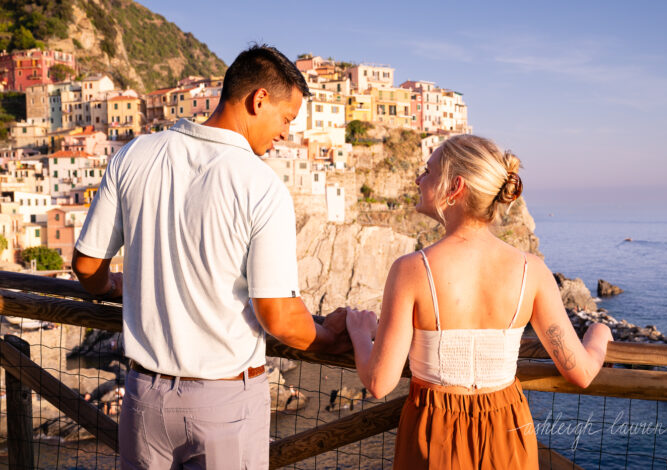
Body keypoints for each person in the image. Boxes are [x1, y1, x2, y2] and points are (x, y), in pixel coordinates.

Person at [72, 45, 350, 469]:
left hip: (144, 397)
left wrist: (109, 286)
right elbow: (277, 316)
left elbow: (87, 266)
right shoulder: (261, 186)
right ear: (259, 100)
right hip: (224, 406)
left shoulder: (134, 154)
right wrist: (330, 339)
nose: (285, 134)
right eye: (287, 119)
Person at [345, 134, 613, 469]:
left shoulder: (412, 270)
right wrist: (599, 332)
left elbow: (379, 383)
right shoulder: (533, 271)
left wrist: (359, 331)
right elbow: (582, 373)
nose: (418, 179)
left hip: (433, 432)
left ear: (455, 187)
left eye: (427, 172)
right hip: (508, 428)